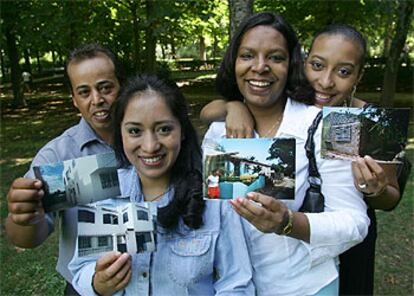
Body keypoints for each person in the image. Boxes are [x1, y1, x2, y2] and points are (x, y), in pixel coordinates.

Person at [201, 23, 402, 295]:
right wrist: (231, 105)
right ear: (305, 63)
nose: (326, 81)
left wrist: (287, 221)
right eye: (318, 66)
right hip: (237, 286)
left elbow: (375, 207)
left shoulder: (347, 124)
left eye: (275, 57)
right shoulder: (220, 132)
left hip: (314, 275)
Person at [69, 74, 254, 295]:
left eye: (164, 129)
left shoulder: (216, 193)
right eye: (135, 131)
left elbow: (236, 284)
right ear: (120, 133)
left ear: (182, 131)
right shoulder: (103, 191)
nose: (150, 146)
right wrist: (97, 283)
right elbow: (81, 270)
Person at [5, 43, 124, 295]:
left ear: (122, 86)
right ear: (74, 99)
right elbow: (26, 238)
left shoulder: (151, 142)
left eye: (105, 88)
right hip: (85, 287)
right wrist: (24, 217)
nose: (97, 99)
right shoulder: (56, 156)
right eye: (84, 92)